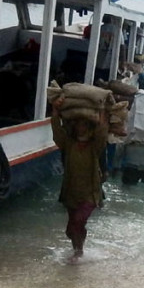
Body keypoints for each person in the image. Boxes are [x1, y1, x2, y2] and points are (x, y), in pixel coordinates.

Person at [51, 103, 108, 262]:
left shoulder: (94, 146)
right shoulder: (69, 144)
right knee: (71, 229)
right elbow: (57, 133)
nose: (79, 128)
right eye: (77, 124)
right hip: (71, 192)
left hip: (90, 194)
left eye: (83, 125)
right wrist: (55, 112)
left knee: (77, 221)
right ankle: (78, 250)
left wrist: (102, 112)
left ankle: (78, 253)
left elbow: (103, 134)